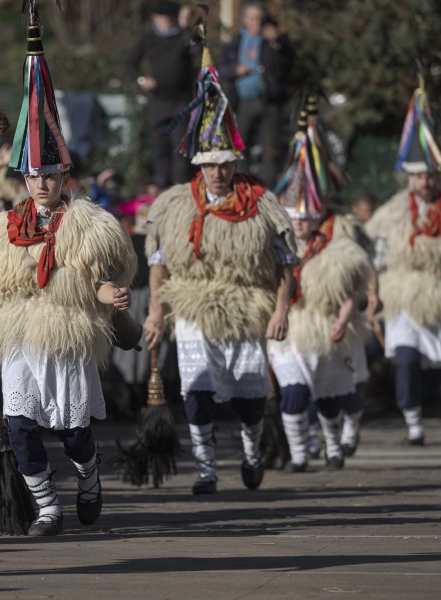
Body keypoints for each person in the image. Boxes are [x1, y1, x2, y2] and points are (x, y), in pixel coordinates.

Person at [0, 10, 136, 536]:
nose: (41, 183)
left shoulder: (90, 223)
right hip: (19, 341)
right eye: (33, 174)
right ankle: (46, 508)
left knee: (75, 435)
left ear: (65, 175)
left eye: (50, 174)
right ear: (23, 176)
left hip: (67, 339)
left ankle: (89, 478)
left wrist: (106, 292)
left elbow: (106, 275)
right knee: (20, 429)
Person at [144, 38, 295, 495]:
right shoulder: (173, 206)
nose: (216, 172)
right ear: (198, 163)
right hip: (193, 306)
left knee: (250, 399)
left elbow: (287, 263)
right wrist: (155, 310)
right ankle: (207, 469)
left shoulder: (264, 205)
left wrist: (281, 308)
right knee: (197, 390)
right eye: (208, 164)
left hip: (247, 304)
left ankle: (251, 452)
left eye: (224, 163)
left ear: (235, 162)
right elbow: (159, 262)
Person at [363, 82, 441, 445]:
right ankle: (414, 425)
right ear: (409, 176)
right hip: (403, 295)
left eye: (430, 175)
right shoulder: (393, 212)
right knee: (405, 360)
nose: (425, 181)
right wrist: (373, 295)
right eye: (419, 175)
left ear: (438, 175)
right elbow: (376, 261)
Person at [268, 174, 372, 471]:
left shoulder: (336, 252)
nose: (299, 223)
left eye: (305, 218)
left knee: (329, 396)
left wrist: (341, 321)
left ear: (316, 219)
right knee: (294, 392)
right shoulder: (272, 251)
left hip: (325, 330)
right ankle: (299, 454)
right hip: (289, 331)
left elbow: (348, 295)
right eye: (294, 217)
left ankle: (334, 447)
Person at [217, 1, 294, 183]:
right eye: (252, 18)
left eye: (259, 18)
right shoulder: (235, 43)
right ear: (244, 20)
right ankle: (241, 183)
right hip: (244, 102)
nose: (256, 22)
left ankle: (268, 186)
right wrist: (236, 70)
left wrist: (278, 41)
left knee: (270, 146)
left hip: (269, 101)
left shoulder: (271, 41)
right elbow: (220, 69)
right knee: (240, 145)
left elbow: (288, 63)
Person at [126, 1, 199, 187]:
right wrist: (142, 80)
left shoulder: (184, 36)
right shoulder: (148, 39)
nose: (165, 21)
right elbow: (130, 64)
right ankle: (161, 187)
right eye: (161, 17)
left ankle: (180, 187)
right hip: (158, 101)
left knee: (179, 149)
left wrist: (185, 27)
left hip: (180, 101)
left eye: (169, 17)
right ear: (154, 18)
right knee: (159, 148)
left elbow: (198, 51)